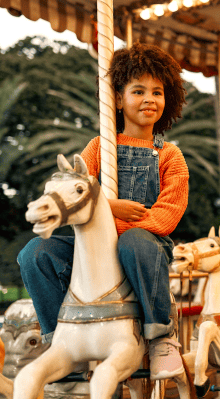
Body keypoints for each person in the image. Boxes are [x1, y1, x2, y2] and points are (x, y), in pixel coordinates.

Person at [18, 42, 189, 380]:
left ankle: (161, 336)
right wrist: (109, 208)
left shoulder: (169, 155)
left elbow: (167, 215)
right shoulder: (99, 147)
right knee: (34, 253)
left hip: (144, 247)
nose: (149, 99)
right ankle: (58, 338)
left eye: (157, 92)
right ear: (118, 99)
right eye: (138, 91)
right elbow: (75, 195)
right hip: (90, 248)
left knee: (134, 242)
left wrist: (111, 225)